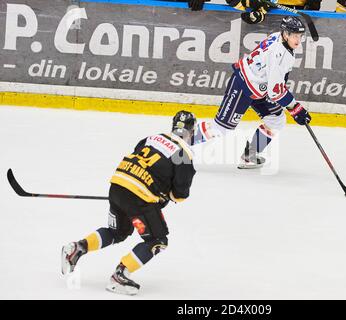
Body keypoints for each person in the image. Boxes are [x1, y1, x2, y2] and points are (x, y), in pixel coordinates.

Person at [61, 111, 197, 296]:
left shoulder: (153, 137)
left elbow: (140, 158)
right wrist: (164, 195)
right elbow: (180, 194)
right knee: (158, 240)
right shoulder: (183, 153)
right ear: (192, 131)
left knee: (118, 232)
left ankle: (77, 248)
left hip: (118, 185)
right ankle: (120, 276)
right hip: (139, 196)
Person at [193, 16, 312, 169]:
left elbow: (275, 84)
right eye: (295, 35)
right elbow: (275, 92)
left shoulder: (278, 37)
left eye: (300, 36)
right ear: (286, 34)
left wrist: (291, 105)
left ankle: (250, 155)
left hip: (259, 87)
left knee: (276, 119)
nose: (298, 40)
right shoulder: (280, 54)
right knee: (220, 129)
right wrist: (295, 107)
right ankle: (180, 142)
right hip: (243, 86)